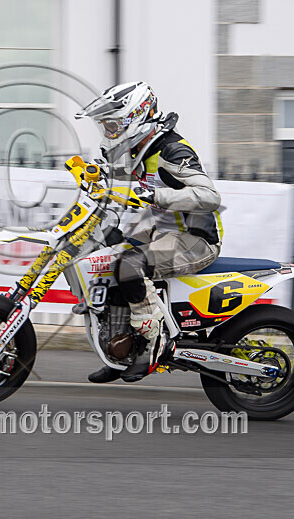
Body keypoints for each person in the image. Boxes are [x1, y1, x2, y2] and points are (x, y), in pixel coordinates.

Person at [75, 81, 223, 383]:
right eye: (106, 125)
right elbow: (114, 177)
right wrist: (94, 174)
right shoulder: (137, 149)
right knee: (106, 254)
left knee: (129, 266)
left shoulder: (172, 149)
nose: (109, 131)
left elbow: (209, 196)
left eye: (113, 124)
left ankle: (151, 343)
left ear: (136, 117)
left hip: (195, 238)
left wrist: (156, 196)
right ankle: (121, 351)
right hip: (163, 231)